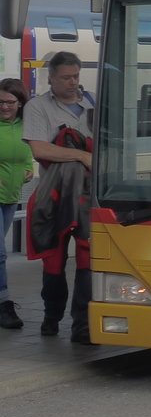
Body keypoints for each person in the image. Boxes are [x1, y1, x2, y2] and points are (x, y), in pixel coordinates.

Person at [22, 51, 95, 344]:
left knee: (88, 258)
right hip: (53, 195)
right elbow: (40, 150)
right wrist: (81, 155)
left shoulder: (92, 103)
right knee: (53, 260)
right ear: (50, 78)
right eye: (66, 77)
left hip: (89, 196)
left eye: (76, 76)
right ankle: (52, 316)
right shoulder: (38, 107)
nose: (73, 82)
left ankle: (83, 325)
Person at [0, 78, 35, 330]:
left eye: (10, 102)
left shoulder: (26, 127)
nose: (4, 107)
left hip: (11, 198)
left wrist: (27, 169)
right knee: (0, 254)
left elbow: (25, 156)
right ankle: (4, 305)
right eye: (0, 101)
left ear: (20, 103)